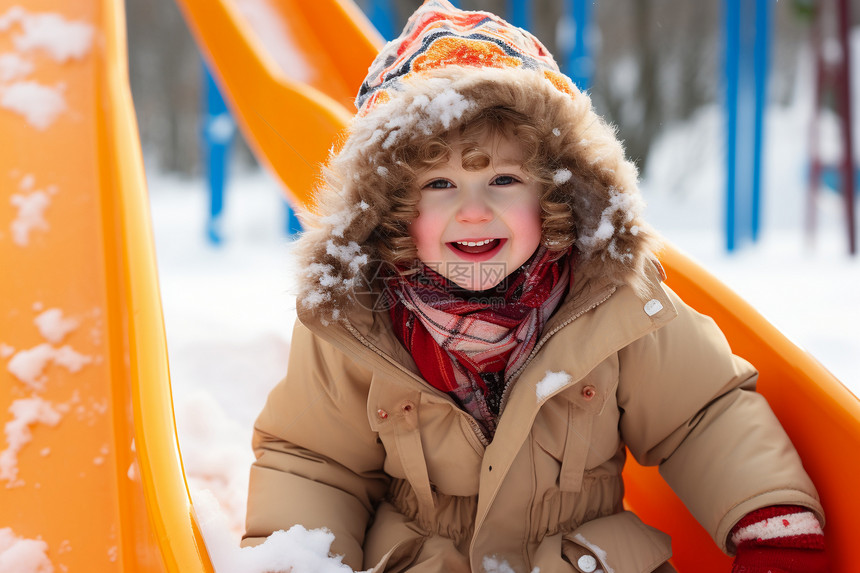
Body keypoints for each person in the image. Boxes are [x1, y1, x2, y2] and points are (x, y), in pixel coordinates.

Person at [242, 1, 826, 571]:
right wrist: (304, 559)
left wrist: (769, 522)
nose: (473, 211)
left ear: (554, 194)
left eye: (503, 179)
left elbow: (700, 415)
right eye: (440, 184)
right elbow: (315, 463)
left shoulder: (611, 300)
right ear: (392, 209)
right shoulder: (360, 323)